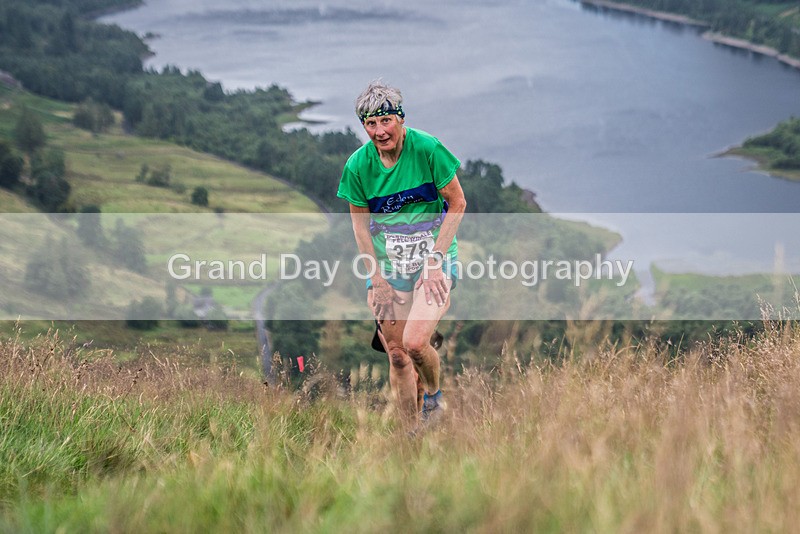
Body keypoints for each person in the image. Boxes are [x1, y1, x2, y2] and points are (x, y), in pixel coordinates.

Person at [337, 80, 467, 428]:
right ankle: (411, 433)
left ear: (401, 118)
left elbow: (457, 202)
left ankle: (434, 400)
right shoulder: (358, 167)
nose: (379, 132)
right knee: (396, 356)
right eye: (370, 124)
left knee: (414, 342)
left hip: (433, 261)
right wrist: (375, 278)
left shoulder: (427, 149)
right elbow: (360, 228)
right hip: (388, 266)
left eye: (386, 121)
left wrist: (437, 262)